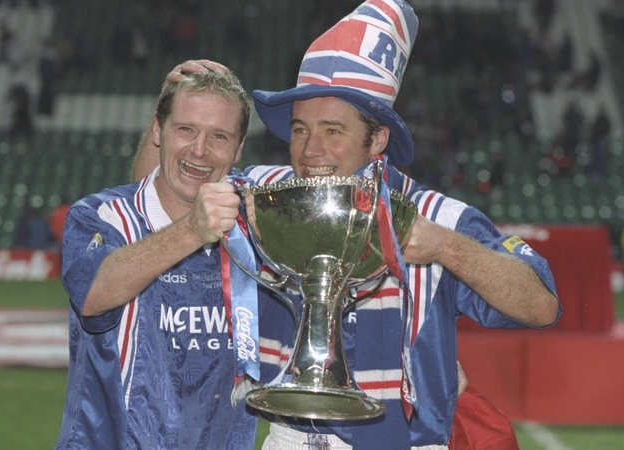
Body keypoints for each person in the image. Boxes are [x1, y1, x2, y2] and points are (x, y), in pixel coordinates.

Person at [133, 2, 560, 449]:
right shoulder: (265, 196)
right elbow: (153, 204)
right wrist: (168, 113)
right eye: (300, 129)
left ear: (378, 139)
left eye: (333, 131)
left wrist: (445, 248)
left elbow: (541, 305)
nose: (310, 150)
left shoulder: (435, 217)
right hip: (289, 439)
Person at [55, 68, 258, 449]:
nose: (200, 149)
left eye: (219, 136)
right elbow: (94, 293)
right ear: (157, 130)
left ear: (239, 148)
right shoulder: (102, 217)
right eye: (185, 129)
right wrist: (192, 230)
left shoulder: (256, 224)